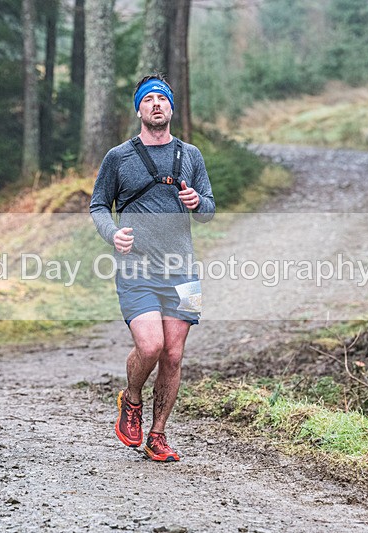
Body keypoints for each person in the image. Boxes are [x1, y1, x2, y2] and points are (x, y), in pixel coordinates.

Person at [90, 74, 215, 462]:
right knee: (151, 345)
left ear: (172, 108)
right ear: (139, 109)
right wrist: (113, 235)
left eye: (163, 99)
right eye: (149, 100)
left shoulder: (190, 155)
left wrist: (197, 203)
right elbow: (98, 206)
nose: (156, 104)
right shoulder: (118, 157)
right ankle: (131, 399)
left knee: (174, 356)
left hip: (184, 270)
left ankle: (157, 435)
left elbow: (209, 210)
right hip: (136, 268)